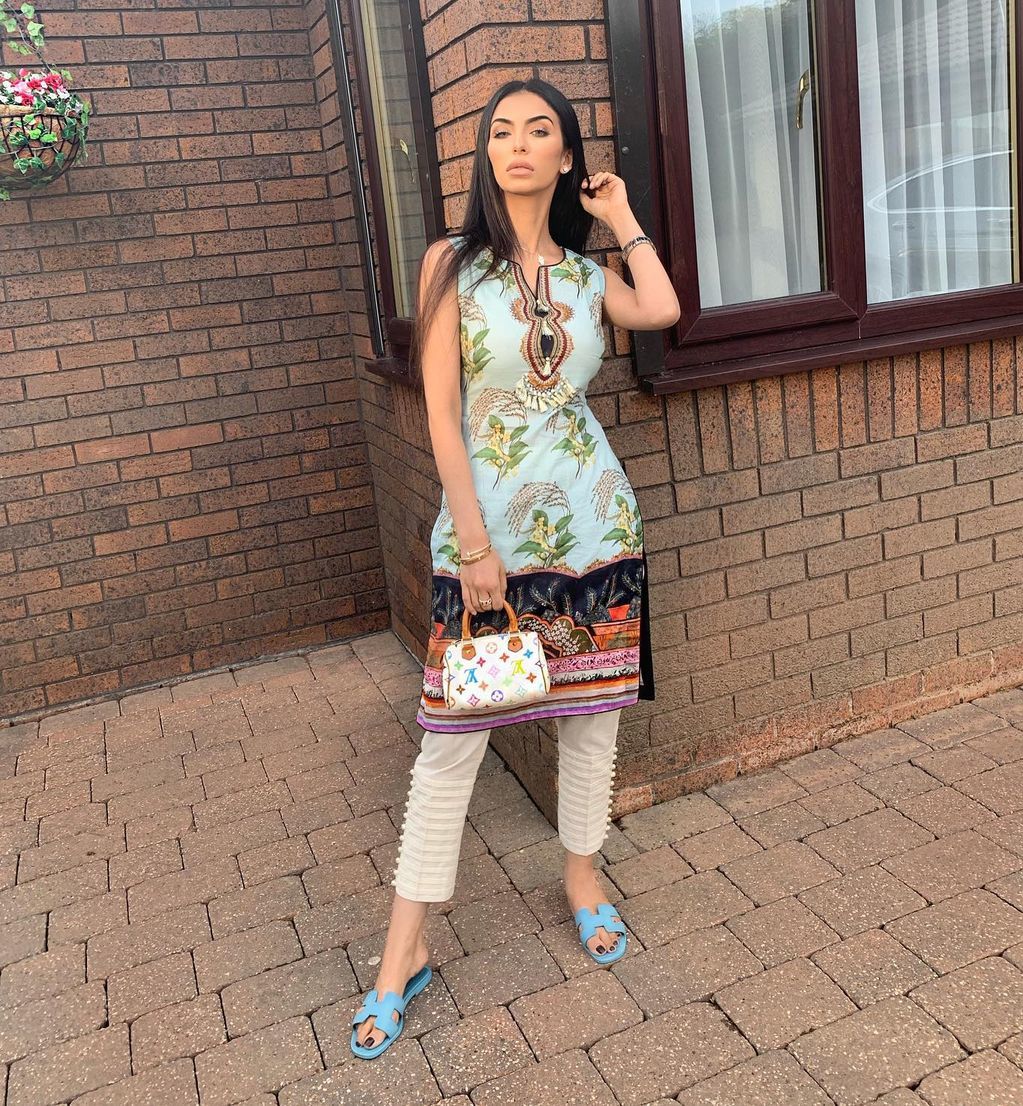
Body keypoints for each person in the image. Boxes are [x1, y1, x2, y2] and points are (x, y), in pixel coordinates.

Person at [350, 77, 680, 1059]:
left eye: (541, 131)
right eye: (502, 132)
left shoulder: (584, 277)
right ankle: (402, 952)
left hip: (595, 530)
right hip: (486, 542)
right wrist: (474, 542)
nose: (520, 145)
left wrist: (620, 217)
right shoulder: (451, 264)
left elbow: (660, 306)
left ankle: (582, 878)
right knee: (451, 743)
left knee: (591, 721)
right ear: (487, 154)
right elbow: (441, 411)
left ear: (566, 156)